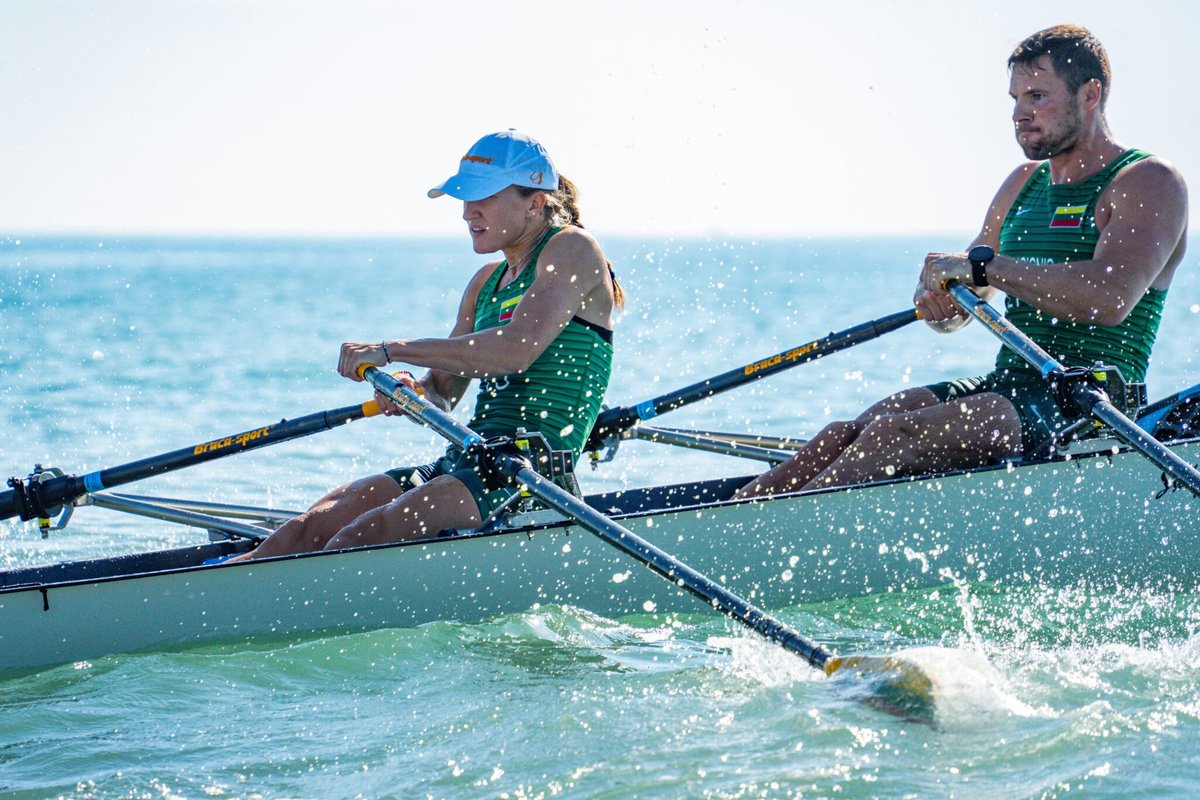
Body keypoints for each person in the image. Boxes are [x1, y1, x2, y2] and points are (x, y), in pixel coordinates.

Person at [737, 24, 1188, 498]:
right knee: (847, 431)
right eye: (1014, 98)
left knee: (891, 439)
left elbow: (1108, 299)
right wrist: (942, 302)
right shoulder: (1022, 184)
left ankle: (772, 536)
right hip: (1009, 385)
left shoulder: (1148, 181)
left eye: (1037, 96)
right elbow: (973, 293)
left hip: (1089, 403)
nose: (1019, 113)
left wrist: (984, 268)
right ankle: (736, 518)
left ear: (1090, 94)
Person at [231, 130, 622, 559]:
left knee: (356, 541)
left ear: (535, 202)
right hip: (473, 460)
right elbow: (443, 393)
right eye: (464, 199)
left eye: (483, 198)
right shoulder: (485, 283)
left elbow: (514, 351)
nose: (467, 213)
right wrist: (410, 391)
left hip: (532, 479)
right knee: (309, 530)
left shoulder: (573, 248)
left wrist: (391, 349)